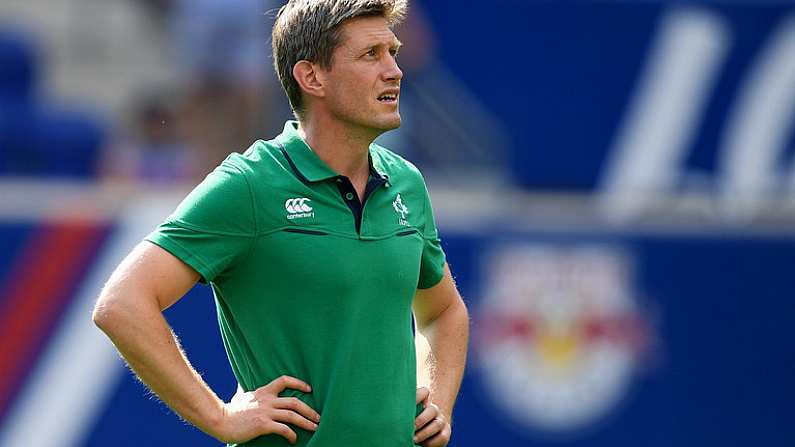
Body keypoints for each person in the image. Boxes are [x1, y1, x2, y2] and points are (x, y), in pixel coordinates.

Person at [92, 1, 469, 446]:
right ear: (312, 77)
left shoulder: (406, 183)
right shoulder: (250, 185)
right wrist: (219, 416)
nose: (394, 71)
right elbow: (122, 304)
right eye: (371, 55)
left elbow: (444, 311)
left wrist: (437, 403)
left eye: (393, 52)